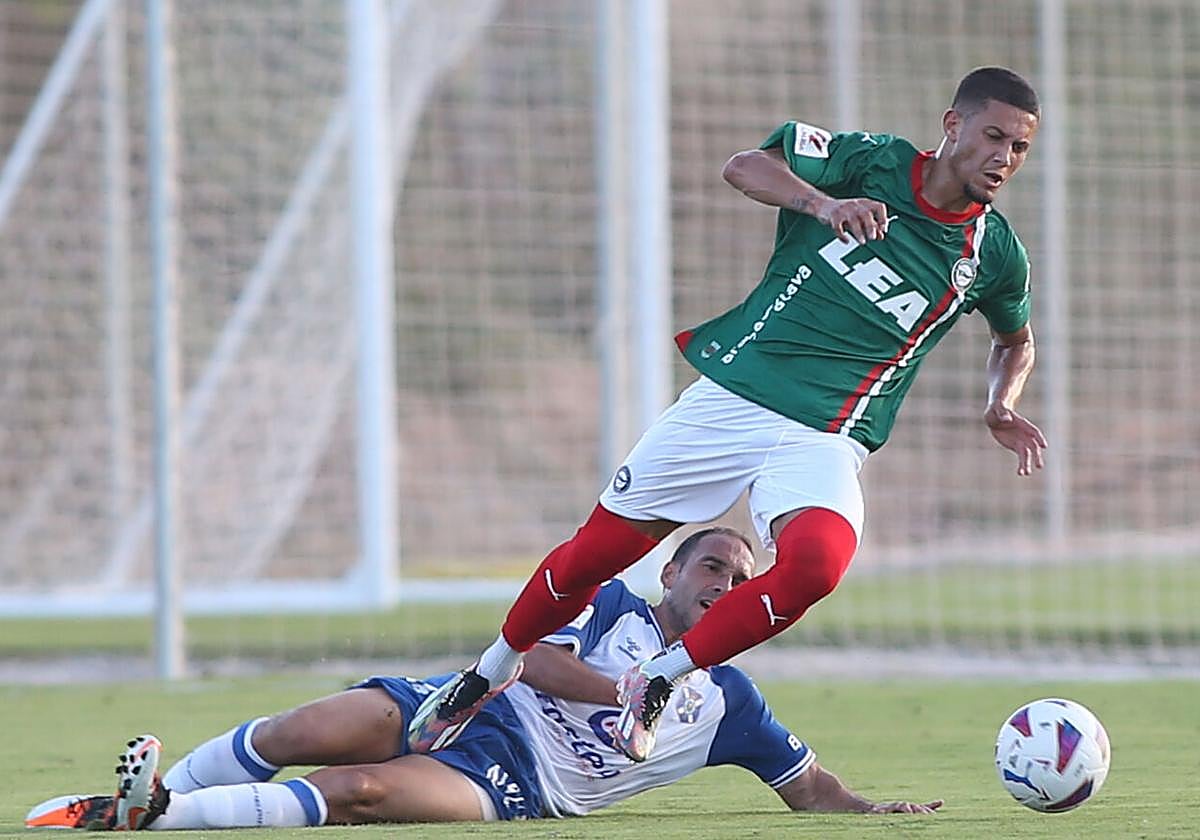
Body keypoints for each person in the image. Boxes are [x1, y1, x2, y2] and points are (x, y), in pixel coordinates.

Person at [408, 66, 1048, 764]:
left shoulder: (993, 254)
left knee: (816, 568)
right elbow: (745, 166)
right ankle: (489, 671)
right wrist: (822, 205)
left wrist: (1000, 404)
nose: (1004, 159)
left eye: (1019, 148)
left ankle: (660, 676)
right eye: (993, 136)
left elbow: (1015, 342)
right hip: (734, 399)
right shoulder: (872, 161)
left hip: (825, 437)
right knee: (593, 556)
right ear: (953, 124)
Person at [26, 528, 940, 831]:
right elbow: (535, 655)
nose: (725, 586)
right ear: (673, 575)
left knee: (359, 791)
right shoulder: (615, 601)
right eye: (711, 568)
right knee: (301, 731)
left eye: (743, 582)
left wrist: (872, 814)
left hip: (515, 779)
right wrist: (628, 690)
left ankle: (150, 818)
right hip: (470, 703)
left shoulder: (730, 707)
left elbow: (805, 785)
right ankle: (159, 789)